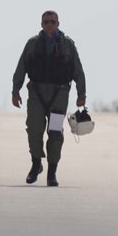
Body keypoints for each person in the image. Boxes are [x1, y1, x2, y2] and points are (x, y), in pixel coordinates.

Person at [12, 10, 87, 187]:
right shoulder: (32, 44)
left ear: (58, 24)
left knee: (55, 132)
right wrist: (16, 91)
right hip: (37, 94)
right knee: (34, 129)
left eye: (53, 22)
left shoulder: (67, 45)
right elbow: (21, 67)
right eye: (46, 22)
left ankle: (52, 171)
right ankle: (36, 163)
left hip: (59, 96)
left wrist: (81, 94)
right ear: (41, 24)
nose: (49, 25)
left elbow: (78, 70)